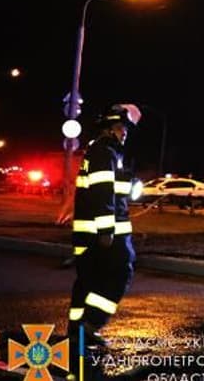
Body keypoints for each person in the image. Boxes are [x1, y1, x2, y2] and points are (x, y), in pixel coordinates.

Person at [68, 103, 141, 356]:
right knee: (121, 273)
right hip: (106, 234)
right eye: (122, 128)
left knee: (88, 280)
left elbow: (109, 191)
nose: (125, 133)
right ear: (110, 128)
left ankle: (77, 331)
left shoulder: (100, 152)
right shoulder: (105, 153)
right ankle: (90, 325)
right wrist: (106, 232)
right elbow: (102, 194)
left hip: (88, 232)